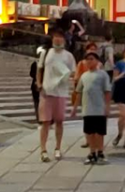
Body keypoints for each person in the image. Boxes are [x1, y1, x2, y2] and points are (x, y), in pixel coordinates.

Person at [36, 27, 76, 162]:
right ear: (52, 39)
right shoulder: (46, 53)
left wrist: (65, 76)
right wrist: (39, 84)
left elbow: (73, 72)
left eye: (60, 37)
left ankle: (58, 148)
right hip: (47, 91)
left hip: (61, 92)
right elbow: (39, 69)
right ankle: (43, 149)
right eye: (55, 37)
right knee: (45, 121)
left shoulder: (68, 56)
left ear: (64, 40)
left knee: (59, 121)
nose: (58, 39)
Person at [73, 51, 112, 165]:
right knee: (89, 132)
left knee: (99, 132)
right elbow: (79, 92)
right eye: (87, 59)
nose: (89, 61)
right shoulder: (84, 76)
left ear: (97, 61)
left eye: (92, 59)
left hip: (99, 108)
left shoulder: (102, 74)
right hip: (87, 108)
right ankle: (92, 153)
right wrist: (75, 108)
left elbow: (107, 91)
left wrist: (107, 106)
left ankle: (100, 152)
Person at [74, 42, 100, 149]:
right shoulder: (81, 63)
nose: (92, 51)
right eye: (90, 49)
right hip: (84, 91)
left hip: (96, 93)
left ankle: (95, 138)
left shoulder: (99, 64)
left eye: (94, 49)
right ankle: (88, 139)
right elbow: (76, 77)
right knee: (86, 116)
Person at [29, 44, 48, 123]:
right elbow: (31, 73)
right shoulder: (37, 63)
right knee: (37, 102)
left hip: (42, 85)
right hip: (37, 85)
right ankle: (40, 118)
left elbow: (31, 74)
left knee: (39, 103)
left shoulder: (40, 63)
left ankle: (41, 118)